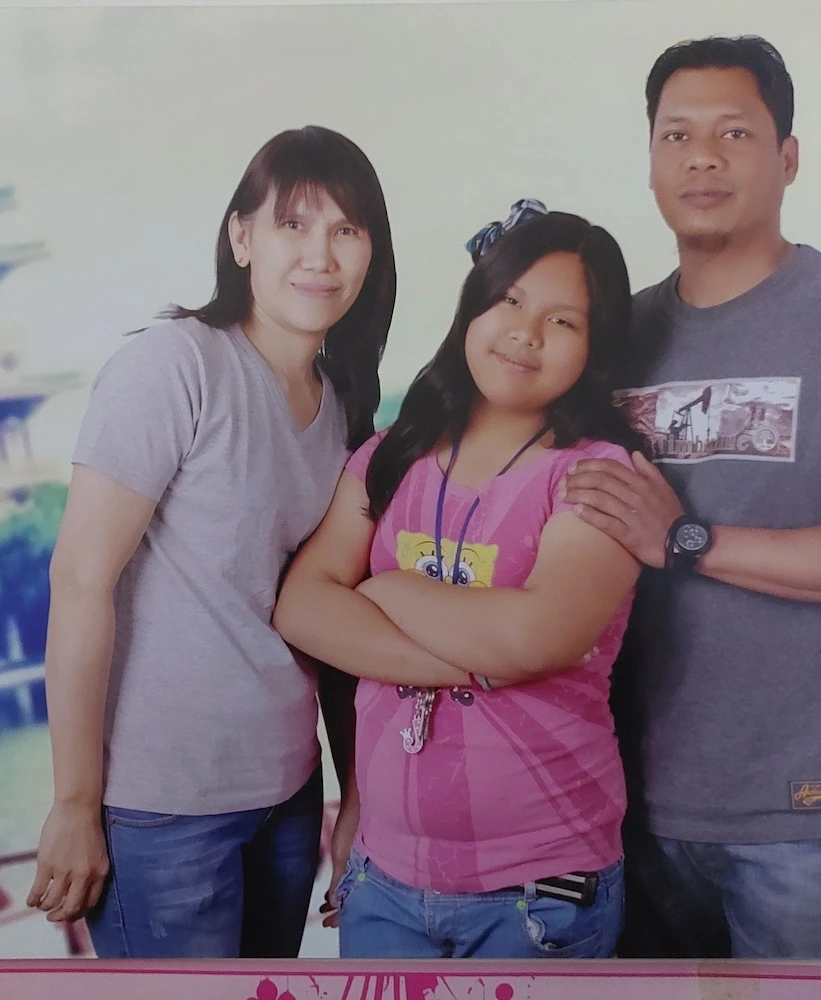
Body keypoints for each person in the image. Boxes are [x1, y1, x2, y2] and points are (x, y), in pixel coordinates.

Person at [561, 35, 821, 959]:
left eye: (734, 133)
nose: (702, 158)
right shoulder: (613, 334)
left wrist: (690, 540)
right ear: (651, 162)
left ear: (787, 156)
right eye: (677, 135)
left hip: (801, 821)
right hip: (619, 809)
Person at [26, 126, 396, 958]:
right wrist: (76, 803)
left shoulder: (344, 406)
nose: (321, 255)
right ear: (242, 237)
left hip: (287, 797)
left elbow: (335, 623)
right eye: (293, 224)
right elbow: (80, 581)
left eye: (346, 229)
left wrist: (355, 797)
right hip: (161, 809)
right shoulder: (175, 365)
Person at [274, 201, 643, 959]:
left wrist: (385, 593)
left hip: (537, 890)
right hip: (384, 879)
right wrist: (476, 661)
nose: (525, 333)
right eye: (508, 300)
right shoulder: (392, 456)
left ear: (596, 347)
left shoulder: (596, 475)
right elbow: (303, 607)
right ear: (473, 308)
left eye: (563, 321)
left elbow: (537, 636)